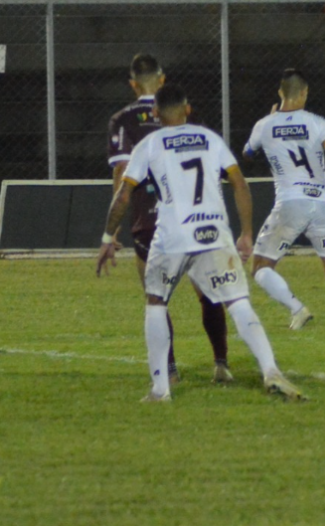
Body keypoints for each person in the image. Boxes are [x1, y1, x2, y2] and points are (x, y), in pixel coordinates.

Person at [96, 84, 304, 402]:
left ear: (155, 113)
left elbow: (124, 195)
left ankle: (160, 389)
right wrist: (246, 233)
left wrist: (108, 238)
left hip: (171, 237)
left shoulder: (149, 144)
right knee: (237, 302)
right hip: (213, 234)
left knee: (156, 302)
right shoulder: (210, 139)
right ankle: (271, 370)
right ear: (187, 109)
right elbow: (239, 184)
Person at [106, 53, 232, 384]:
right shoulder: (183, 113)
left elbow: (122, 174)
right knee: (209, 293)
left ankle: (171, 371)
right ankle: (221, 364)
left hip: (149, 222)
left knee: (157, 299)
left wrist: (112, 229)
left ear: (133, 84)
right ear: (162, 79)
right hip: (194, 217)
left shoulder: (122, 119)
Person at [243, 69, 325, 330]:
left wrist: (269, 124)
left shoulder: (264, 125)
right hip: (323, 204)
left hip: (290, 203)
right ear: (303, 93)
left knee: (260, 266)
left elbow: (247, 153)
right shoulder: (317, 122)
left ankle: (297, 309)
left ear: (280, 93)